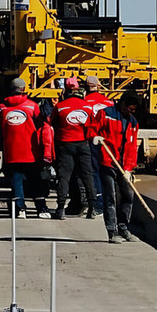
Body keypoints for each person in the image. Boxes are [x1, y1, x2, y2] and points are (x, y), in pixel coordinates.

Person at [91, 90, 141, 243]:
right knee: (110, 197)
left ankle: (124, 227)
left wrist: (129, 168)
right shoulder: (105, 114)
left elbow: (132, 148)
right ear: (123, 104)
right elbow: (92, 129)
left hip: (124, 165)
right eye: (130, 108)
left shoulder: (133, 123)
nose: (132, 112)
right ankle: (112, 231)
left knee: (127, 196)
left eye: (134, 109)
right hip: (108, 161)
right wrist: (95, 136)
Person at [0, 78, 51, 219]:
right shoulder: (32, 106)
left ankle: (20, 209)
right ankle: (41, 209)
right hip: (31, 151)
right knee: (36, 181)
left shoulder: (2, 107)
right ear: (24, 89)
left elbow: (0, 128)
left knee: (16, 181)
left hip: (11, 151)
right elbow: (41, 126)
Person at [51, 78, 97, 220]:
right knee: (87, 175)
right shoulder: (87, 107)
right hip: (83, 144)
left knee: (64, 177)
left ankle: (60, 209)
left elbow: (51, 122)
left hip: (65, 144)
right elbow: (92, 125)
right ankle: (92, 209)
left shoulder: (60, 106)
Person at [82, 76, 113, 210]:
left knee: (93, 171)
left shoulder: (83, 102)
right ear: (98, 86)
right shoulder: (109, 102)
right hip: (106, 140)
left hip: (90, 139)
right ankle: (108, 201)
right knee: (107, 170)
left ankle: (97, 203)